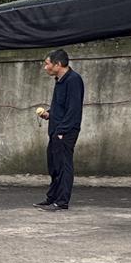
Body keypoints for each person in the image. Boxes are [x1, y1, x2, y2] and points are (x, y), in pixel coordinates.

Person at [36, 49, 85, 212]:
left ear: (58, 64)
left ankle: (62, 201)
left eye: (47, 64)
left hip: (65, 131)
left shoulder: (73, 80)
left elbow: (73, 109)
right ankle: (52, 198)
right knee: (54, 164)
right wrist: (49, 114)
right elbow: (61, 106)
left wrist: (61, 131)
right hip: (56, 129)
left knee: (63, 165)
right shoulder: (60, 80)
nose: (45, 67)